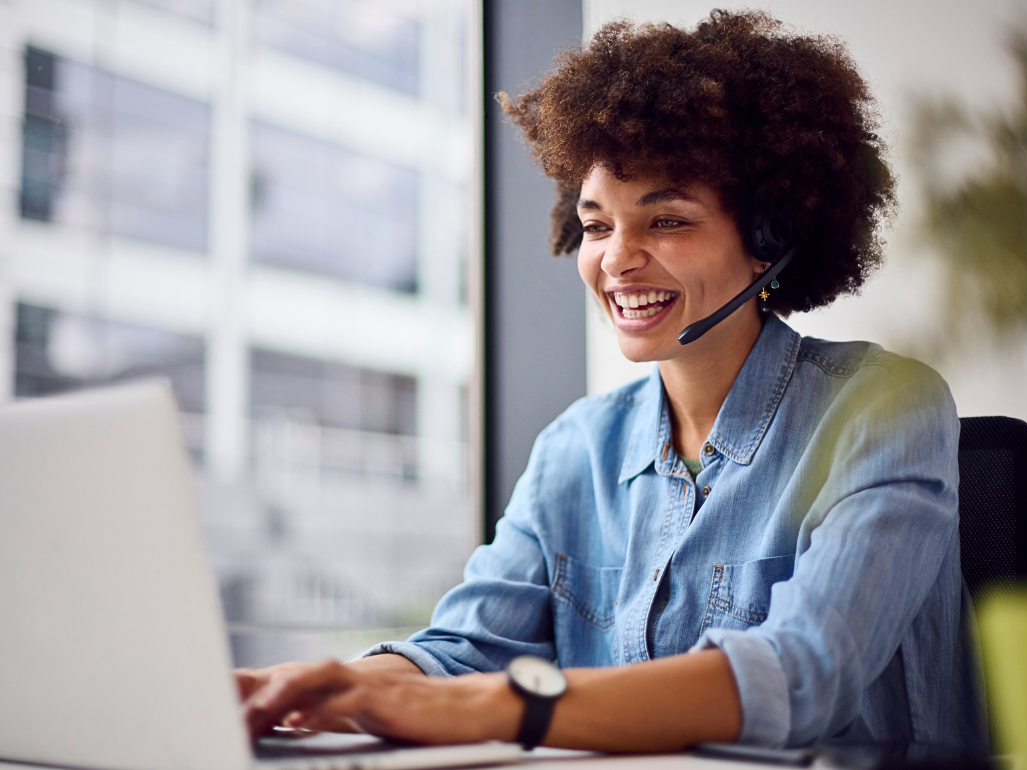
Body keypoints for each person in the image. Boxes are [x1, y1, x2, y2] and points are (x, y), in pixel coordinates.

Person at [237, 10, 987, 754]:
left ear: (768, 240)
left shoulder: (883, 410)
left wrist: (510, 709)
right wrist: (323, 690)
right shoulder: (576, 448)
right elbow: (465, 650)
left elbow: (803, 676)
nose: (617, 260)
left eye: (665, 222)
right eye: (596, 226)